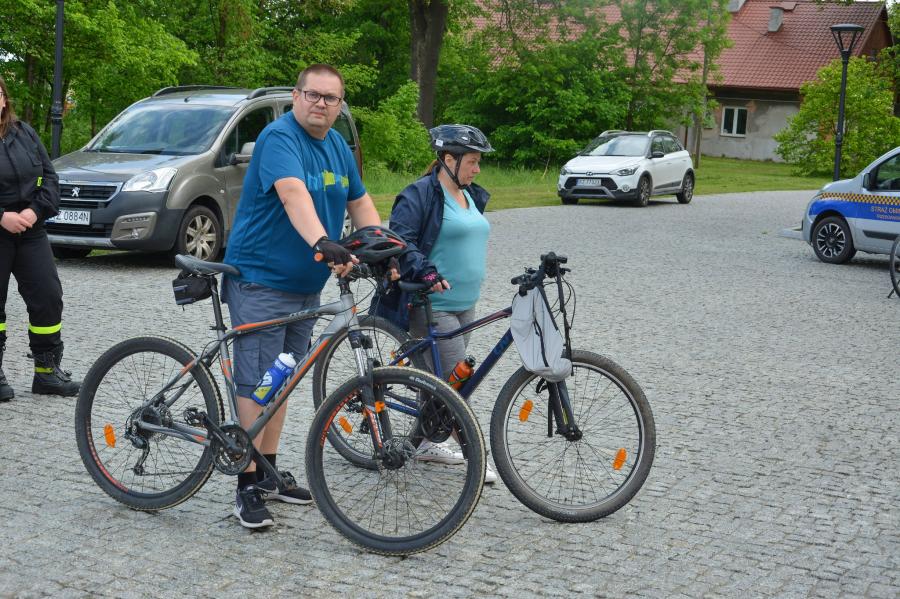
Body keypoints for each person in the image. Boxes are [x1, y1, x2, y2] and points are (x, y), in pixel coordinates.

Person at [222, 64, 384, 529]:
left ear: (340, 105)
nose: (321, 104)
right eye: (313, 94)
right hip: (261, 280)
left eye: (331, 98)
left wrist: (383, 245)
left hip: (305, 287)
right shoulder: (279, 137)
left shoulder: (337, 146)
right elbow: (293, 195)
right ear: (296, 96)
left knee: (282, 379)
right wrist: (322, 241)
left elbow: (360, 201)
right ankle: (246, 483)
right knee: (257, 382)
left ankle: (267, 471)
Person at [373, 123, 497, 483]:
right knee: (456, 384)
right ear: (448, 160)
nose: (477, 169)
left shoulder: (470, 194)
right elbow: (402, 241)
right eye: (472, 162)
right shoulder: (420, 195)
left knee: (439, 378)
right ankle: (475, 455)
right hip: (432, 305)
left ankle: (426, 442)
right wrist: (424, 270)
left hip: (465, 303)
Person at [0, 75, 80, 401]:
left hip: (30, 229)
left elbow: (49, 177)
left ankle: (47, 373)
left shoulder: (25, 133)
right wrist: (1, 217)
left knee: (48, 296)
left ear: (4, 99)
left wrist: (35, 211)